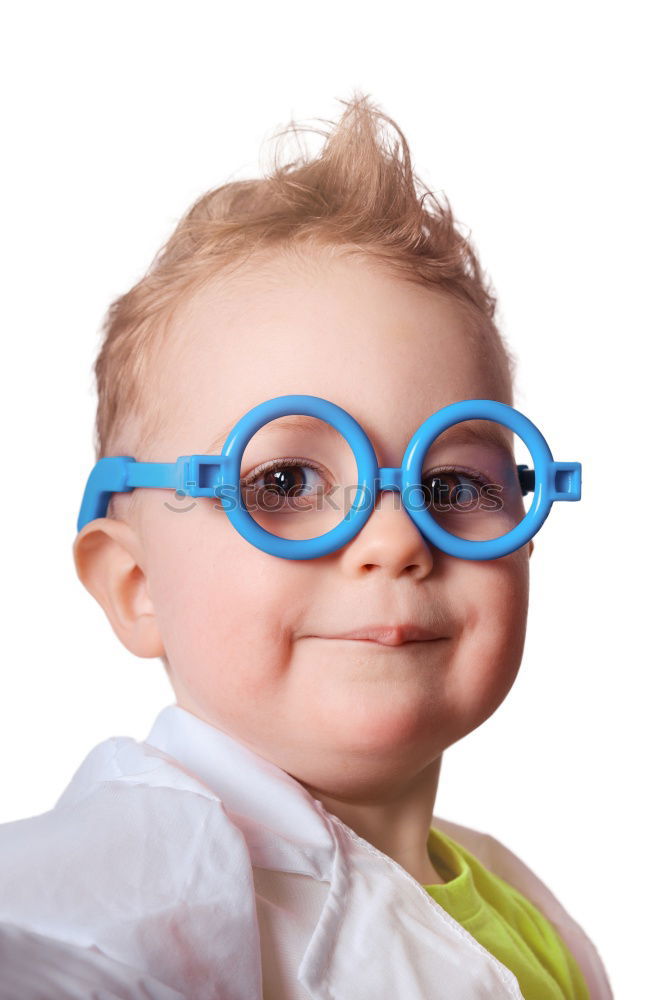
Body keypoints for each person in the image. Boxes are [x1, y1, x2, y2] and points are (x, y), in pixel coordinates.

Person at [0, 93, 613, 1000]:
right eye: (284, 483)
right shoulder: (141, 888)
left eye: (453, 486)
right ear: (136, 586)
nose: (398, 539)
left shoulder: (518, 897)